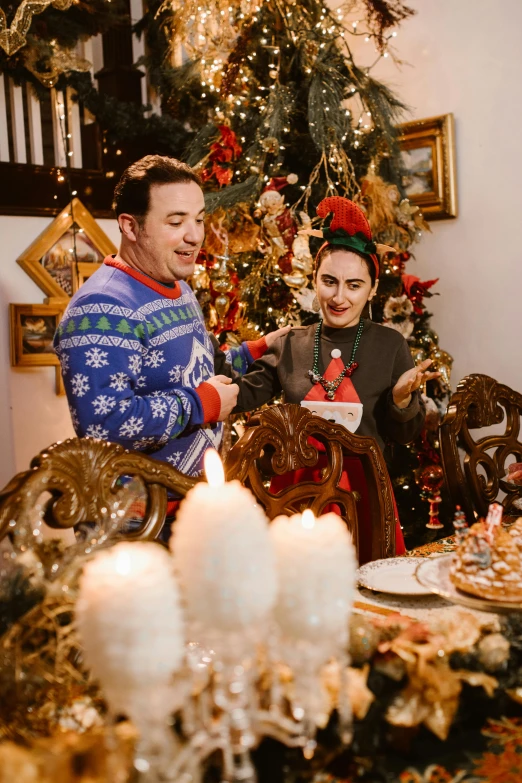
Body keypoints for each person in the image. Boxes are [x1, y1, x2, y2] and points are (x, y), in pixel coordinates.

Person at [54, 155, 288, 479]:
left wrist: (256, 350)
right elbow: (104, 423)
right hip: (141, 522)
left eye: (199, 219)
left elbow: (201, 372)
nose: (194, 236)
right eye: (176, 223)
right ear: (130, 226)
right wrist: (198, 406)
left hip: (194, 508)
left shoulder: (179, 288)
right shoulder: (100, 308)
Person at [233, 196, 439, 561]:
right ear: (314, 280)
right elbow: (244, 395)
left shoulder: (390, 345)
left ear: (373, 289)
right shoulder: (292, 343)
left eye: (354, 285)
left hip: (366, 498)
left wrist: (403, 400)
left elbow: (404, 435)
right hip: (296, 501)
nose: (339, 296)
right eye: (329, 281)